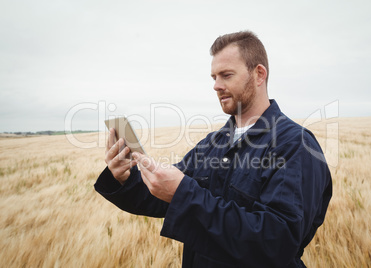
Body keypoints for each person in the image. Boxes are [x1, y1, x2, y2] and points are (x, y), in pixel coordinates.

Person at [95, 31, 332, 268]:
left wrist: (183, 194)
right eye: (214, 77)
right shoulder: (213, 143)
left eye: (226, 75)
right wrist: (124, 178)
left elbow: (277, 243)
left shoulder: (295, 145)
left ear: (259, 74)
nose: (216, 86)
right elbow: (163, 196)